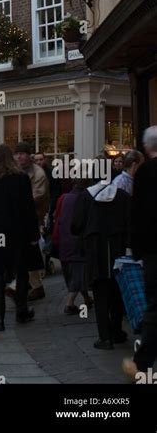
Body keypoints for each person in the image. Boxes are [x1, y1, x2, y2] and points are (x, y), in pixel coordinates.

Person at [0, 144, 40, 331]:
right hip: (17, 233)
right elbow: (29, 210)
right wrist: (34, 235)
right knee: (21, 271)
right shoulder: (21, 179)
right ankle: (21, 310)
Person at [71, 176, 130, 349]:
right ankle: (117, 330)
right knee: (117, 290)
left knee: (100, 292)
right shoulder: (123, 196)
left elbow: (76, 225)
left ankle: (104, 336)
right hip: (118, 246)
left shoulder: (85, 197)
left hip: (95, 249)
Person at [123, 127, 157, 381]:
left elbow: (138, 214)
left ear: (147, 148)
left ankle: (142, 363)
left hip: (154, 249)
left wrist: (136, 248)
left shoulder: (145, 172)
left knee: (154, 306)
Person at [12, 142, 49, 300]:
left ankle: (23, 285)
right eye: (17, 154)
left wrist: (15, 203)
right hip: (20, 219)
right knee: (27, 252)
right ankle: (31, 284)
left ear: (29, 155)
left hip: (33, 218)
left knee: (30, 251)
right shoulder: (16, 171)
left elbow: (37, 196)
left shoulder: (38, 173)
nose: (19, 156)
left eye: (22, 153)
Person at [52, 177, 93, 314]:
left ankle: (87, 299)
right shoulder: (86, 199)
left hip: (64, 239)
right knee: (79, 274)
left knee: (74, 273)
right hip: (78, 240)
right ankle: (69, 304)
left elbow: (57, 217)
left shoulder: (63, 197)